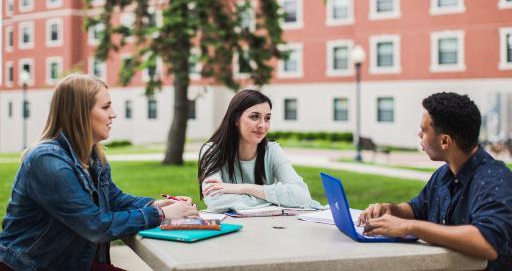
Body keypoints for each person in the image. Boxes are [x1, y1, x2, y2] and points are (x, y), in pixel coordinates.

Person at [0, 74, 198, 271]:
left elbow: (114, 199)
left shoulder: (92, 155)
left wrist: (155, 204)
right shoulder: (47, 160)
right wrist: (160, 214)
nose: (113, 114)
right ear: (79, 113)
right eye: (105, 107)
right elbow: (95, 226)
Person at [357, 92, 512, 270]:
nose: (419, 134)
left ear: (445, 141)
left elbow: (487, 243)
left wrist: (410, 227)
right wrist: (390, 209)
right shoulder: (444, 174)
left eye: (423, 131)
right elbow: (416, 209)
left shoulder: (494, 179)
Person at [198, 89, 321, 212]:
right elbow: (215, 201)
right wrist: (275, 200)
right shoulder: (211, 151)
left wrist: (241, 188)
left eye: (267, 118)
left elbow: (302, 196)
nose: (262, 125)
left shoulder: (272, 150)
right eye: (254, 117)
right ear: (236, 119)